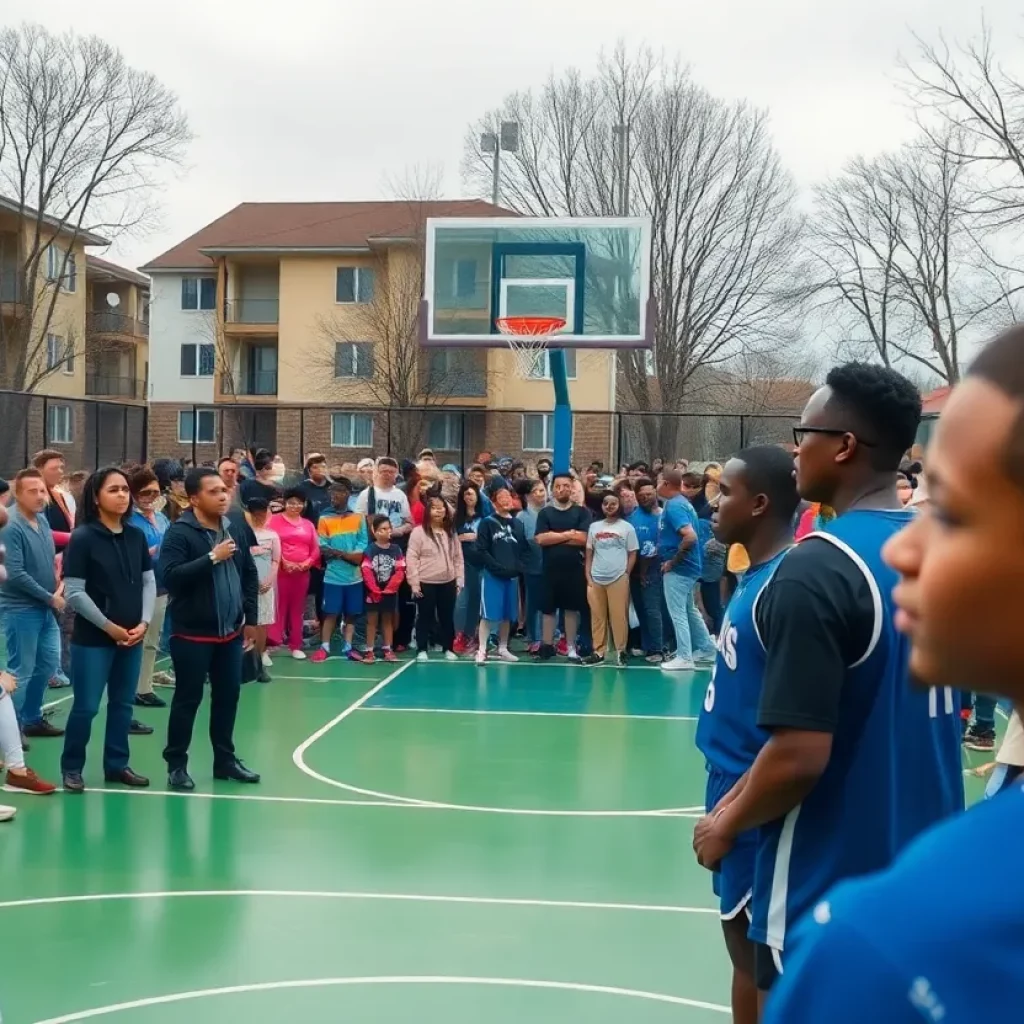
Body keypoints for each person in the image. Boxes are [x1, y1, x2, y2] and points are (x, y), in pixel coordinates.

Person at [760, 330, 1024, 1022]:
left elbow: (797, 750)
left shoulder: (884, 955)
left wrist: (726, 822)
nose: (908, 545)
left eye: (953, 514)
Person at [693, 362, 963, 1002]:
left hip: (830, 874)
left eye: (803, 432)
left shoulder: (818, 567)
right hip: (924, 861)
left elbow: (799, 754)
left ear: (842, 446)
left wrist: (726, 823)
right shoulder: (939, 550)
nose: (794, 449)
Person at [691, 447, 800, 1024]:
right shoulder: (752, 577)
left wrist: (734, 812)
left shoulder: (785, 585)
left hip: (753, 791)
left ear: (759, 504)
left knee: (760, 958)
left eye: (725, 492)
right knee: (741, 953)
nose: (713, 502)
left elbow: (794, 731)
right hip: (727, 778)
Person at [158, 467, 260, 791]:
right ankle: (176, 764)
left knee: (228, 696)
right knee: (188, 699)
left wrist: (251, 620)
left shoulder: (235, 527)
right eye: (213, 491)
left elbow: (248, 573)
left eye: (223, 490)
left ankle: (225, 761)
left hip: (230, 633)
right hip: (192, 635)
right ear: (193, 498)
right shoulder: (180, 533)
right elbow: (171, 577)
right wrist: (212, 558)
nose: (222, 495)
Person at [59, 469, 156, 792]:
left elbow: (147, 581)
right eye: (113, 489)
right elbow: (74, 591)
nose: (122, 495)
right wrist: (109, 626)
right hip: (94, 640)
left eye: (125, 490)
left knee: (123, 704)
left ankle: (117, 765)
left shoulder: (136, 536)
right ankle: (72, 767)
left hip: (132, 637)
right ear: (96, 496)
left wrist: (143, 622)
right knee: (86, 706)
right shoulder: (84, 538)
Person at [0, 468, 65, 738]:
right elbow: (14, 574)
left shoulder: (42, 520)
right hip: (20, 609)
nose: (40, 496)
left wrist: (56, 579)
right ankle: (9, 730)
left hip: (44, 607)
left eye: (42, 491)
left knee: (48, 662)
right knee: (20, 671)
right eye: (32, 491)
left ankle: (31, 718)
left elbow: (48, 555)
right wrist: (50, 596)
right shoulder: (10, 525)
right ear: (17, 494)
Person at [658, 469, 716, 671]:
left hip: (680, 569)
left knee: (678, 612)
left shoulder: (674, 506)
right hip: (689, 568)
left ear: (666, 484)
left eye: (659, 482)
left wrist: (672, 562)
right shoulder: (683, 504)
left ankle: (684, 656)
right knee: (690, 610)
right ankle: (707, 648)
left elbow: (690, 536)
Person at [534, 473, 590, 662]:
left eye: (566, 485)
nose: (561, 489)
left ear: (572, 487)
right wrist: (568, 534)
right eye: (557, 486)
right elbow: (541, 539)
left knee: (571, 609)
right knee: (548, 609)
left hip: (574, 569)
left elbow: (583, 538)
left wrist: (555, 536)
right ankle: (547, 646)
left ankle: (571, 647)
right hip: (550, 569)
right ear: (553, 489)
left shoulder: (582, 512)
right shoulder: (545, 513)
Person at [128, 467, 172, 708]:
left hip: (161, 585)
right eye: (145, 493)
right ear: (134, 494)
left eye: (155, 492)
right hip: (137, 587)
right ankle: (131, 687)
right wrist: (149, 553)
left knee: (153, 639)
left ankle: (144, 688)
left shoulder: (162, 518)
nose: (151, 497)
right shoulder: (129, 521)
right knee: (138, 639)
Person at [313, 479, 367, 663]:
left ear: (347, 495)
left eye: (337, 493)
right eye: (331, 494)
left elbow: (363, 544)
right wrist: (346, 555)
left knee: (351, 614)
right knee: (330, 613)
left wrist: (343, 554)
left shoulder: (358, 517)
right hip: (333, 577)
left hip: (354, 578)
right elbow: (323, 547)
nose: (333, 497)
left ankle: (348, 646)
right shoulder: (324, 518)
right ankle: (324, 646)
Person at [583, 491, 638, 667]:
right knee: (597, 617)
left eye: (613, 503)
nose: (609, 506)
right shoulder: (594, 527)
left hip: (618, 578)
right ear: (602, 506)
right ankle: (598, 652)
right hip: (596, 578)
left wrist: (626, 573)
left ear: (619, 505)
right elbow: (589, 553)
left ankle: (621, 652)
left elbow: (632, 553)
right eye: (606, 503)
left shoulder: (627, 528)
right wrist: (588, 576)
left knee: (618, 616)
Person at [474, 483, 527, 665]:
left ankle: (502, 648)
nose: (506, 499)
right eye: (501, 497)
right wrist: (496, 567)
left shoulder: (518, 524)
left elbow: (523, 550)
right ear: (494, 502)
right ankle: (481, 649)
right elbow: (481, 550)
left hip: (511, 577)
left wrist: (517, 568)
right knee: (489, 614)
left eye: (508, 496)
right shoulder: (487, 523)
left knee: (507, 614)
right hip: (492, 576)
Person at [407, 494, 464, 662]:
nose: (439, 511)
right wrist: (414, 583)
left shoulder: (451, 533)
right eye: (434, 508)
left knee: (447, 616)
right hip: (425, 582)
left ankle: (448, 648)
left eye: (442, 508)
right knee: (425, 616)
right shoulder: (418, 532)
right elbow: (411, 558)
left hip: (448, 581)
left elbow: (458, 558)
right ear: (427, 511)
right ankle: (422, 648)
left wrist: (459, 579)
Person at [268, 487, 320, 660]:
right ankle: (271, 644)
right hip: (280, 573)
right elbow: (269, 543)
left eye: (299, 503)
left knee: (297, 610)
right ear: (285, 503)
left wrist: (306, 563)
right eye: (291, 502)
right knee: (277, 607)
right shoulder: (274, 521)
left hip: (302, 574)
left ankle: (295, 645)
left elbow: (315, 549)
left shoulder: (308, 524)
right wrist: (284, 561)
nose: (295, 506)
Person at [627, 477, 665, 663]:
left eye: (649, 494)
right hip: (633, 569)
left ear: (655, 494)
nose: (645, 498)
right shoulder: (632, 516)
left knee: (652, 610)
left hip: (653, 570)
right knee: (640, 609)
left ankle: (658, 648)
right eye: (641, 495)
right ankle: (645, 644)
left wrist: (645, 570)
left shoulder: (663, 516)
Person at [361, 515, 405, 663]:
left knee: (387, 620)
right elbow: (366, 570)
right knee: (371, 621)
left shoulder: (396, 549)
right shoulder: (370, 549)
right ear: (374, 531)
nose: (386, 532)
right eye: (382, 529)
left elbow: (400, 570)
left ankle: (388, 649)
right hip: (372, 592)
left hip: (390, 592)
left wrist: (390, 588)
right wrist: (374, 589)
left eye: (388, 529)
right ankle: (369, 652)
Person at [245, 496, 280, 682]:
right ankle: (245, 663)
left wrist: (268, 581)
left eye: (263, 512)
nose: (260, 516)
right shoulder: (243, 533)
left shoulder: (272, 536)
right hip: (247, 586)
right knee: (247, 623)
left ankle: (259, 663)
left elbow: (276, 560)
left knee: (262, 623)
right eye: (255, 513)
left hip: (265, 586)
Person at [453, 482, 485, 655]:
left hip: (481, 564)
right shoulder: (456, 518)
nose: (468, 497)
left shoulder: (485, 517)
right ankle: (459, 635)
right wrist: (460, 538)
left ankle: (471, 635)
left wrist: (476, 537)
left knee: (476, 601)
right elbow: (450, 541)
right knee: (461, 601)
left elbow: (489, 539)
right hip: (462, 564)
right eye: (465, 494)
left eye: (471, 493)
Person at [517, 479, 548, 654]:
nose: (540, 494)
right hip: (532, 567)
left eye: (542, 490)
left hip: (552, 566)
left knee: (551, 603)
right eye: (536, 491)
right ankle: (534, 638)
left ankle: (550, 637)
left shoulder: (551, 512)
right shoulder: (522, 517)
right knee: (533, 603)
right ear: (528, 496)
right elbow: (520, 545)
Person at [217, 456, 244, 522]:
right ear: (218, 473)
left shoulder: (244, 491)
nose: (230, 473)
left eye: (233, 471)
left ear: (237, 474)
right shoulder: (209, 492)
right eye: (226, 471)